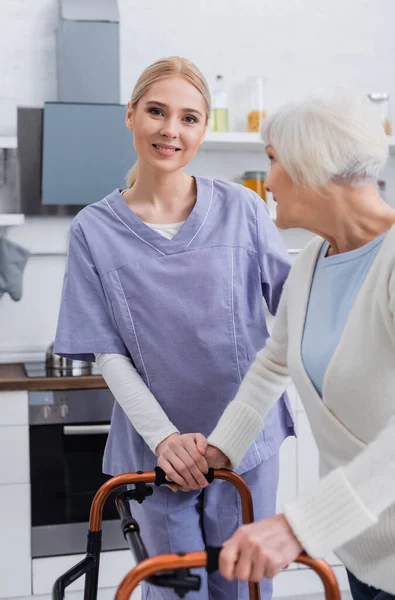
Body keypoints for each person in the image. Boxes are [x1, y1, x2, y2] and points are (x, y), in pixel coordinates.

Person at [53, 56, 294, 600]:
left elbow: (296, 312)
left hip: (246, 447)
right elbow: (108, 352)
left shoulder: (243, 209)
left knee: (244, 589)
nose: (171, 130)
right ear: (131, 115)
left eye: (189, 118)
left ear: (204, 128)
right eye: (157, 112)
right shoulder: (93, 229)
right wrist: (165, 440)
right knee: (173, 592)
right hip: (156, 454)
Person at [205, 90, 395, 600]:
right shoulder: (314, 260)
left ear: (314, 164)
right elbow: (274, 362)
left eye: (272, 160)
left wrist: (296, 526)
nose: (266, 182)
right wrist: (219, 451)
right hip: (363, 545)